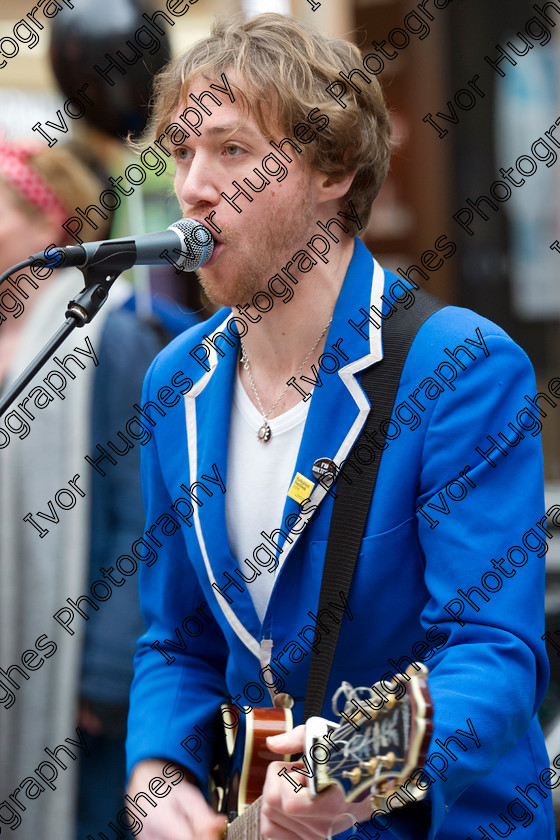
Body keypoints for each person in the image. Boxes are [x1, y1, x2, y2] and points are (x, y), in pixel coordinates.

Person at [125, 13, 555, 840]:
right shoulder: (175, 378)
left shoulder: (462, 364)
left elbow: (492, 654)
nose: (191, 186)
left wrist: (371, 761)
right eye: (181, 151)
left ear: (335, 169)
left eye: (233, 150)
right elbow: (173, 640)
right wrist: (158, 773)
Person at [0, 139, 163, 840]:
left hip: (73, 680)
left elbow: (146, 513)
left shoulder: (116, 336)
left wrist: (98, 673)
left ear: (52, 221)